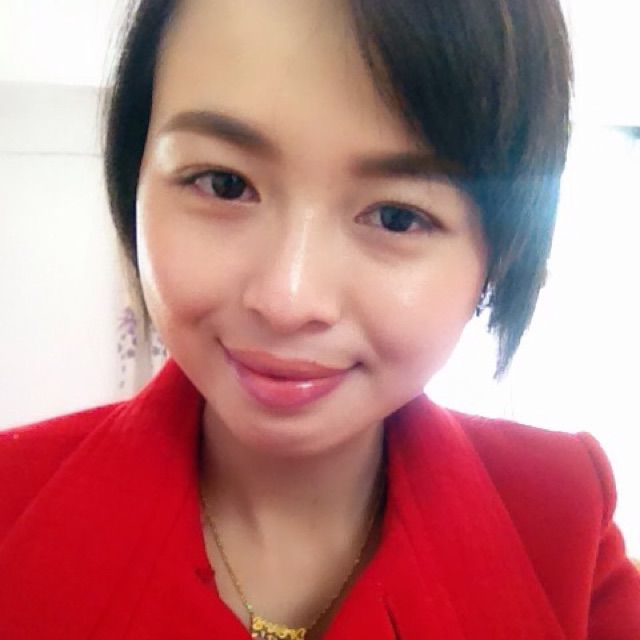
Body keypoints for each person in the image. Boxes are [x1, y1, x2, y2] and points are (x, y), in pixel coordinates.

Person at [1, 0, 638, 638]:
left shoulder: (561, 519)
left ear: (499, 257)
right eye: (223, 183)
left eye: (397, 217)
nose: (287, 301)